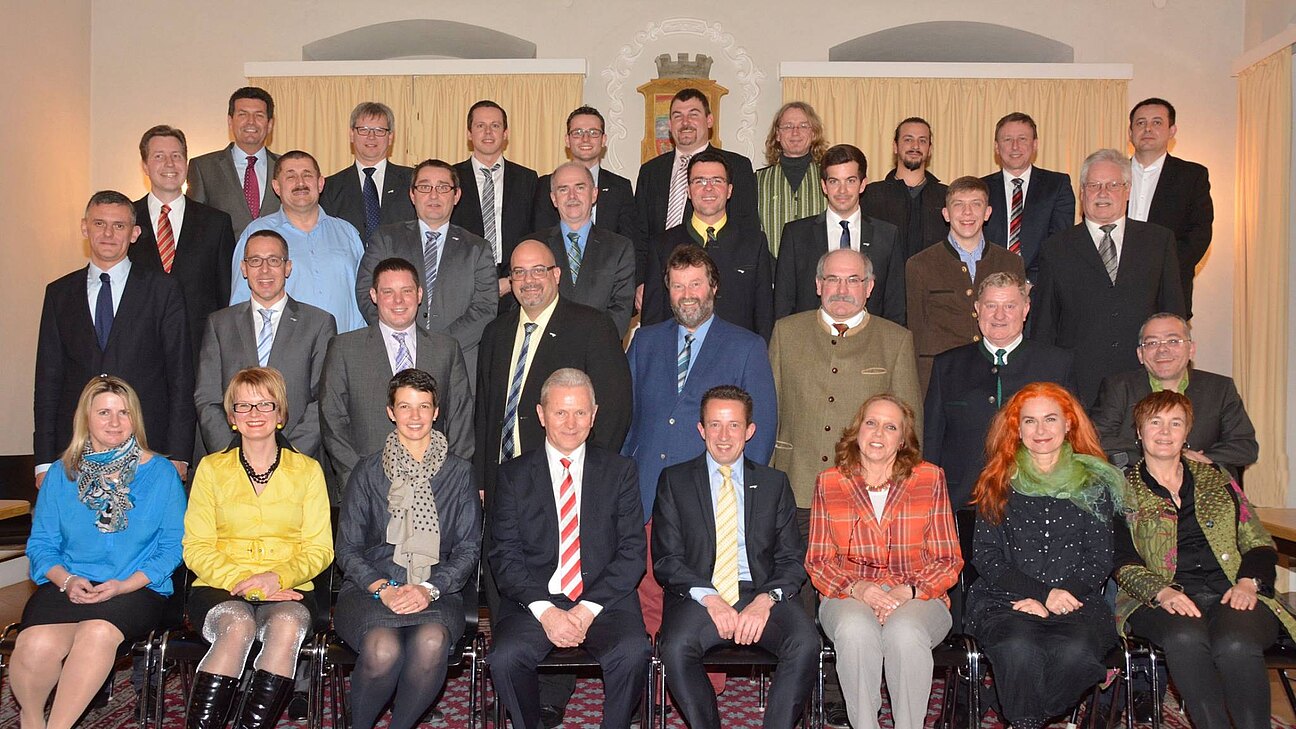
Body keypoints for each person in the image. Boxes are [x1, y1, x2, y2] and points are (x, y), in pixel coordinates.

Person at [12, 376, 185, 729]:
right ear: (85, 418)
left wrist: (122, 586)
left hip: (135, 588)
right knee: (35, 643)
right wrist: (67, 580)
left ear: (135, 418)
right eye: (104, 412)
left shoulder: (161, 474)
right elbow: (41, 544)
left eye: (124, 413)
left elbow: (173, 547)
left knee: (97, 632)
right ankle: (31, 720)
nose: (115, 422)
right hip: (69, 583)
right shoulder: (61, 474)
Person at [1115, 391, 1292, 729]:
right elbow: (1121, 560)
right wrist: (1162, 592)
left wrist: (1248, 582)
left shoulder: (1218, 477)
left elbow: (1258, 540)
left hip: (1231, 589)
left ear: (1187, 433)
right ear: (1139, 431)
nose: (1165, 432)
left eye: (1175, 423)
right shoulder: (1121, 489)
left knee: (1236, 643)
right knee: (1185, 639)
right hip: (1159, 597)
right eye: (1155, 422)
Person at [488, 368, 649, 729]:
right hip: (536, 602)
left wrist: (586, 610)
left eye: (580, 412)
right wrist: (547, 613)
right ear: (541, 414)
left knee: (633, 652)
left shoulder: (620, 471)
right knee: (505, 658)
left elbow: (631, 552)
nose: (571, 423)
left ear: (594, 415)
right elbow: (505, 556)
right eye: (560, 412)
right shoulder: (513, 476)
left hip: (604, 601)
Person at [653, 385, 817, 728]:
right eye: (715, 425)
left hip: (760, 592)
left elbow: (792, 558)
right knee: (676, 647)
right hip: (701, 595)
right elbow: (667, 559)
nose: (724, 436)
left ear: (749, 430)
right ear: (701, 429)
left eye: (734, 425)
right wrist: (710, 598)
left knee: (804, 643)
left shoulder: (774, 483)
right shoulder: (675, 481)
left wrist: (765, 600)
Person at [966, 382, 1125, 729]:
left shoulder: (1094, 483)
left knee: (1076, 655)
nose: (1040, 430)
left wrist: (1056, 597)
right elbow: (987, 556)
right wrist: (1040, 595)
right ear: (1017, 429)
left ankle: (1022, 717)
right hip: (1005, 600)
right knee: (1017, 649)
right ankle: (1027, 721)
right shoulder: (997, 481)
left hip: (1076, 601)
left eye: (1050, 419)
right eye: (1030, 421)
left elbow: (1099, 558)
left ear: (1068, 424)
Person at [181, 367, 333, 729]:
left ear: (280, 414)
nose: (254, 414)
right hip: (220, 586)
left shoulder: (308, 471)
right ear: (232, 418)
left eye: (265, 404)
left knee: (286, 625)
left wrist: (276, 577)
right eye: (243, 406)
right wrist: (246, 581)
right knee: (236, 626)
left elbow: (320, 549)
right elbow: (196, 546)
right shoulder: (211, 469)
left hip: (289, 588)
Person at [334, 368, 482, 729]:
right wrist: (384, 589)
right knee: (383, 649)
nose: (415, 416)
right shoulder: (367, 472)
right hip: (370, 591)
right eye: (405, 406)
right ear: (390, 412)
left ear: (436, 412)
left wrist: (428, 589)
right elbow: (347, 549)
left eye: (423, 406)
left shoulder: (460, 473)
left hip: (437, 590)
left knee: (431, 642)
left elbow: (468, 549)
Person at [806, 394, 962, 729]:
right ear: (857, 431)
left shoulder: (930, 479)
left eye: (890, 427)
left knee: (904, 632)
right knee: (855, 630)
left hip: (919, 595)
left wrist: (908, 591)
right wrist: (858, 588)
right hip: (848, 594)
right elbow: (818, 562)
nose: (878, 433)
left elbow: (948, 559)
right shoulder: (829, 482)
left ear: (903, 440)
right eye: (871, 423)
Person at [35, 190, 194, 487]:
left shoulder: (163, 290)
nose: (108, 234)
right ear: (85, 228)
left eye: (119, 225)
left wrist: (180, 453)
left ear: (134, 233)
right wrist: (43, 461)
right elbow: (47, 381)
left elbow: (181, 376)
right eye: (99, 224)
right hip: (75, 452)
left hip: (149, 448)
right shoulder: (59, 294)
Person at [475, 240, 631, 501]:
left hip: (565, 484)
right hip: (501, 483)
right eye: (519, 272)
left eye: (538, 270)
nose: (529, 280)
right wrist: (482, 476)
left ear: (556, 275)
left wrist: (589, 475)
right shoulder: (495, 332)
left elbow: (614, 412)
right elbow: (484, 410)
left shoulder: (593, 327)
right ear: (511, 280)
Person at [1031, 148, 1185, 406]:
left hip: (1144, 381)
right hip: (1078, 385)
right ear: (1082, 193)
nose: (1103, 193)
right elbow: (1044, 327)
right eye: (1094, 185)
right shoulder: (1056, 248)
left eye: (1113, 185)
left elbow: (1173, 315)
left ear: (1127, 190)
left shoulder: (1159, 241)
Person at [321, 257, 473, 494]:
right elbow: (332, 420)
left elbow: (460, 418)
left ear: (419, 294)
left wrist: (450, 481)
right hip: (368, 488)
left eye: (406, 291)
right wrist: (359, 481)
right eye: (388, 292)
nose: (398, 300)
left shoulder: (446, 349)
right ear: (374, 295)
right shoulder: (344, 349)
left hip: (436, 488)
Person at [924, 272, 1076, 509]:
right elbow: (931, 442)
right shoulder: (947, 366)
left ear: (1026, 309)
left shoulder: (1056, 364)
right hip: (964, 503)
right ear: (977, 309)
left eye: (1010, 306)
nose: (999, 315)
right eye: (991, 305)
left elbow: (1074, 436)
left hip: (1039, 500)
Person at [196, 230, 336, 460]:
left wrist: (288, 457)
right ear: (243, 268)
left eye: (273, 260)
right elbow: (207, 398)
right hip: (232, 460)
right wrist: (235, 456)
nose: (264, 269)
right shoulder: (219, 324)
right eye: (255, 261)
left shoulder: (318, 323)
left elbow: (323, 400)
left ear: (287, 267)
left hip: (298, 460)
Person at [356, 159, 497, 379]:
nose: (433, 195)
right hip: (393, 358)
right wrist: (402, 337)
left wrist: (436, 347)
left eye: (443, 187)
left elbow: (485, 308)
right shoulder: (385, 239)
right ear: (412, 195)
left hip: (456, 362)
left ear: (456, 195)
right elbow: (366, 292)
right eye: (424, 187)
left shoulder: (477, 248)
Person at [1092, 312, 1257, 478]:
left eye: (1173, 341)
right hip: (1136, 484)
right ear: (1140, 354)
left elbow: (1245, 447)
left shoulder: (1220, 388)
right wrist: (1161, 451)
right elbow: (1095, 439)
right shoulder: (1119, 387)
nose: (1162, 350)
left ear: (1191, 349)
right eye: (1152, 343)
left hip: (1201, 484)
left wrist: (1196, 460)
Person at [635, 87, 759, 302]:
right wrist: (641, 281)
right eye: (677, 116)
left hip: (717, 286)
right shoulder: (650, 171)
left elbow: (746, 229)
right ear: (670, 125)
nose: (685, 122)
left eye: (693, 114)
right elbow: (640, 234)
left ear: (709, 120)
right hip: (660, 285)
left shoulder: (737, 166)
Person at [128, 125, 236, 366]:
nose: (169, 163)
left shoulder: (216, 223)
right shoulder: (126, 220)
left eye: (176, 156)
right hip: (139, 350)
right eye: (159, 156)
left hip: (199, 353)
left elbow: (225, 295)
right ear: (144, 166)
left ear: (186, 164)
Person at [905, 176, 1024, 391]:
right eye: (958, 205)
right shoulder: (919, 265)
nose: (967, 213)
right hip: (940, 380)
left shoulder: (1011, 262)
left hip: (997, 375)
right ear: (946, 214)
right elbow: (915, 332)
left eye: (976, 204)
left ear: (987, 213)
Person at [641, 150, 775, 340]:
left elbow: (764, 315)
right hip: (680, 352)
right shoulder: (662, 245)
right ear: (688, 191)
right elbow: (653, 320)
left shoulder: (754, 243)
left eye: (717, 181)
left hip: (738, 352)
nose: (708, 188)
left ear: (729, 190)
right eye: (700, 181)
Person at [229, 150, 367, 333]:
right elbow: (240, 305)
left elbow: (364, 297)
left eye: (307, 175)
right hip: (283, 348)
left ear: (320, 183)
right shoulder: (256, 235)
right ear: (276, 187)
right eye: (290, 176)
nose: (300, 183)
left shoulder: (347, 233)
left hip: (344, 345)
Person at [775, 143, 904, 324]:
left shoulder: (887, 236)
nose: (842, 190)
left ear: (862, 184)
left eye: (850, 181)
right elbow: (783, 304)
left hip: (871, 339)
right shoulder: (796, 235)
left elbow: (895, 307)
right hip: (810, 338)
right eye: (834, 181)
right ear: (824, 186)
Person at [1126, 98, 1214, 318]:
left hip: (1168, 293)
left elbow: (1198, 236)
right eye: (1140, 123)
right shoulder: (1113, 175)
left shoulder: (1192, 176)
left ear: (1172, 131)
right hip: (1114, 294)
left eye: (1157, 122)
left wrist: (1160, 271)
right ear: (1130, 132)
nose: (1147, 128)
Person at [531, 161, 636, 335]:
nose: (572, 196)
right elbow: (526, 306)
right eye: (563, 189)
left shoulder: (619, 248)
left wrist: (585, 344)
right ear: (554, 199)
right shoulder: (534, 246)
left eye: (580, 188)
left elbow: (621, 310)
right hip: (546, 347)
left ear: (594, 194)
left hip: (598, 347)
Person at [450, 100, 539, 295]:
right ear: (469, 133)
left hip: (516, 284)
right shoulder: (450, 178)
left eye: (495, 126)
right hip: (463, 284)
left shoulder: (527, 179)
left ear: (505, 133)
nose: (488, 132)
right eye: (480, 126)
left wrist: (512, 279)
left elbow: (535, 234)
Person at [981, 112, 1075, 282]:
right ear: (996, 147)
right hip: (988, 284)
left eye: (1022, 139)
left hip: (1040, 285)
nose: (1015, 146)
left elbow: (1059, 243)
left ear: (1035, 144)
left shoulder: (1057, 185)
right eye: (1007, 139)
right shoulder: (981, 188)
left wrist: (1029, 282)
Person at [532, 105, 640, 246]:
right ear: (567, 140)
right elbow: (539, 239)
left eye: (593, 132)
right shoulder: (545, 185)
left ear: (603, 140)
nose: (585, 138)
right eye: (578, 132)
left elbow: (627, 242)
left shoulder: (620, 187)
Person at [187, 87, 280, 238]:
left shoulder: (286, 168)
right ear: (230, 121)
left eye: (259, 115)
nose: (251, 121)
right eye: (243, 114)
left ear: (270, 124)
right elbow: (194, 225)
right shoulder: (203, 168)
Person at [320, 101, 417, 243]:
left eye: (379, 130)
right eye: (364, 130)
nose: (371, 136)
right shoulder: (330, 188)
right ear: (352, 134)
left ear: (390, 137)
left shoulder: (413, 181)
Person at [861, 117, 949, 261]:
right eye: (908, 139)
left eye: (922, 140)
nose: (915, 146)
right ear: (895, 146)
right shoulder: (869, 196)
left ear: (930, 149)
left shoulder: (946, 197)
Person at [756, 101, 828, 258]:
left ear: (813, 133)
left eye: (803, 126)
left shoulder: (830, 178)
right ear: (778, 134)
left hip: (820, 267)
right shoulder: (757, 180)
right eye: (788, 126)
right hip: (772, 268)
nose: (795, 132)